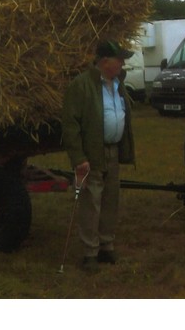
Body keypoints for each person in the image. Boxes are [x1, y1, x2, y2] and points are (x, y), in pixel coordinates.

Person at [62, 39, 136, 272]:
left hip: (113, 152)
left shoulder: (117, 84)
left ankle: (106, 245)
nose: (123, 64)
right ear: (105, 62)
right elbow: (70, 125)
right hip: (92, 154)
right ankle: (90, 252)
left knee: (110, 200)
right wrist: (78, 158)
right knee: (91, 202)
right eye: (120, 60)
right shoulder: (81, 86)